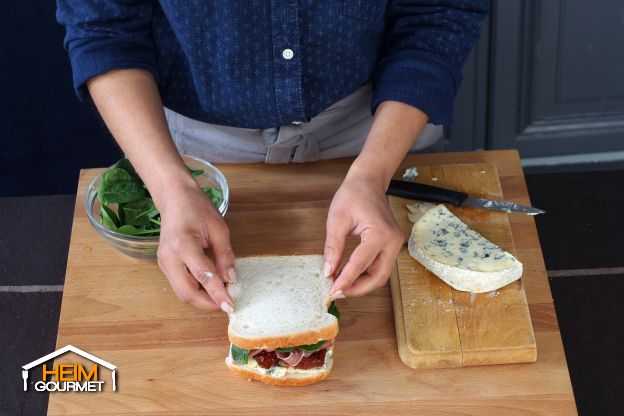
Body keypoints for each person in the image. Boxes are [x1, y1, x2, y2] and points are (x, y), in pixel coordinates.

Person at [56, 1, 488, 314]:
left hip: (376, 127)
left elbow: (437, 16)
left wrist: (372, 174)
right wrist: (171, 190)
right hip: (195, 148)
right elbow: (104, 31)